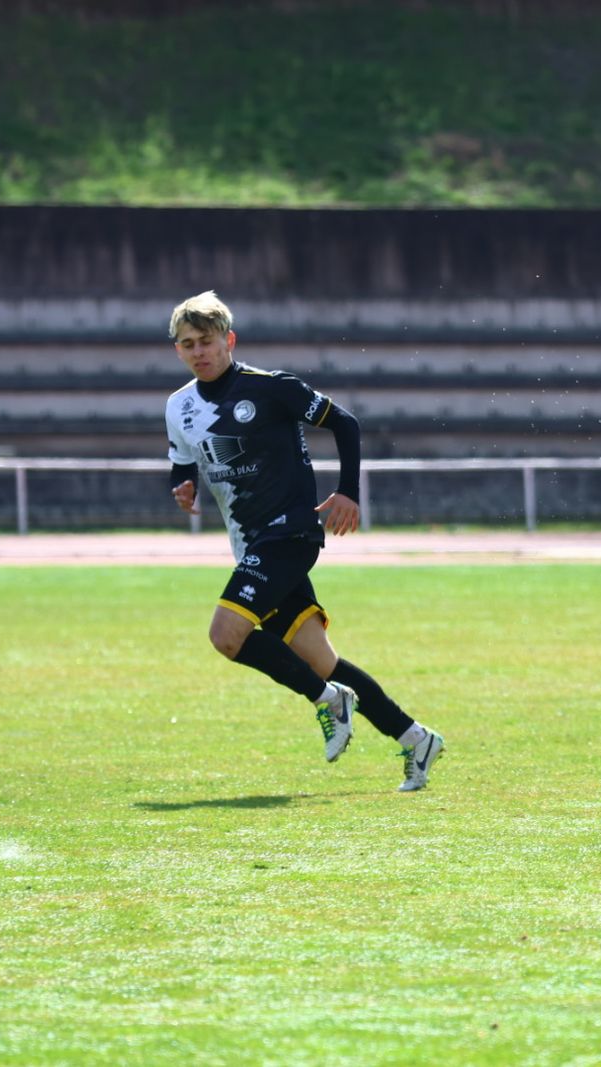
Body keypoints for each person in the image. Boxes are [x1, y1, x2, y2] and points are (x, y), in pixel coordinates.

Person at [164, 291, 445, 791]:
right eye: (187, 345)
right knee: (321, 660)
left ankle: (328, 701)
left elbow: (345, 422)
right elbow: (183, 461)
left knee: (225, 636)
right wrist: (182, 485)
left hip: (290, 532)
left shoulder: (271, 389)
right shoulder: (179, 406)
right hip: (251, 544)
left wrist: (348, 492)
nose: (198, 352)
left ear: (228, 341)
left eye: (206, 341)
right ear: (178, 351)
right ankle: (414, 738)